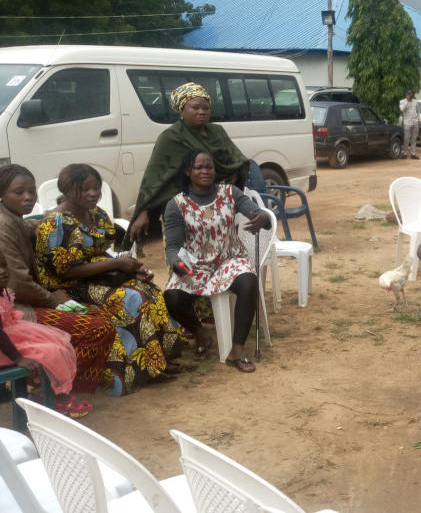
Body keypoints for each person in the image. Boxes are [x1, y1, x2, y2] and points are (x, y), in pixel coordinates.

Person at [35, 164, 188, 395]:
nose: (93, 194)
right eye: (85, 189)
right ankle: (129, 371)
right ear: (67, 190)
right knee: (130, 298)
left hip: (97, 277)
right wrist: (116, 264)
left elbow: (100, 253)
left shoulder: (96, 215)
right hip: (70, 287)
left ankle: (155, 361)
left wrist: (131, 272)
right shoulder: (55, 223)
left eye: (96, 188)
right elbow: (65, 272)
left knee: (146, 288)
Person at [0, 164, 116, 402]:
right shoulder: (3, 226)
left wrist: (47, 218)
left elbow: (30, 227)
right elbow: (19, 283)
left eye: (32, 191)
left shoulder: (14, 219)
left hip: (27, 302)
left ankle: (58, 387)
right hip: (16, 312)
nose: (28, 197)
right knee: (96, 328)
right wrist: (54, 300)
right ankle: (56, 395)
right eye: (19, 192)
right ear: (2, 194)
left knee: (100, 318)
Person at [162, 150, 271, 372]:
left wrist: (263, 218)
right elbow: (173, 246)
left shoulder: (230, 193)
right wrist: (176, 262)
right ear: (188, 171)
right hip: (194, 261)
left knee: (249, 281)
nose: (205, 171)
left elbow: (258, 214)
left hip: (229, 258)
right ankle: (200, 333)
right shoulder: (177, 204)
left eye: (209, 167)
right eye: (199, 167)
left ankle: (237, 349)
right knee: (171, 296)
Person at [126, 82, 254, 247]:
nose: (201, 112)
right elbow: (154, 180)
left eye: (206, 108)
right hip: (183, 209)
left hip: (218, 205)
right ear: (182, 109)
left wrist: (235, 174)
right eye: (195, 107)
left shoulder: (217, 131)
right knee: (183, 253)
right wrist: (143, 211)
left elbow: (237, 160)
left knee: (221, 246)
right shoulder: (170, 137)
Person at [0, 258, 84, 416]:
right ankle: (57, 397)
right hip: (4, 348)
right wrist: (18, 358)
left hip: (12, 333)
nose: (2, 271)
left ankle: (50, 394)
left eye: (3, 266)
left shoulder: (4, 290)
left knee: (57, 342)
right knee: (49, 352)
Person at [400, 89, 420, 159]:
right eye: (408, 94)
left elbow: (418, 111)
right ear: (406, 95)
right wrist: (407, 101)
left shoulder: (415, 102)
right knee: (406, 139)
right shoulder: (402, 101)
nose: (410, 95)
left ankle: (413, 154)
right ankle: (405, 153)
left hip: (415, 123)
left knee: (414, 139)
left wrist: (418, 120)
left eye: (411, 94)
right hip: (407, 123)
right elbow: (402, 109)